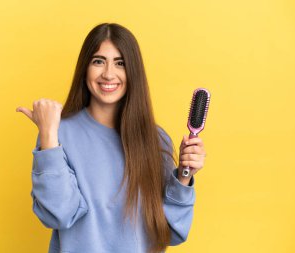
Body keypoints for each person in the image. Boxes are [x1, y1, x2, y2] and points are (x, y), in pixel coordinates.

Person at [16, 23, 206, 253]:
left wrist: (184, 178)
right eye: (98, 61)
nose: (108, 73)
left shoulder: (156, 140)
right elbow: (59, 214)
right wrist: (47, 136)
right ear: (85, 68)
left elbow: (170, 232)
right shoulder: (57, 134)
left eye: (120, 63)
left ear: (132, 71)